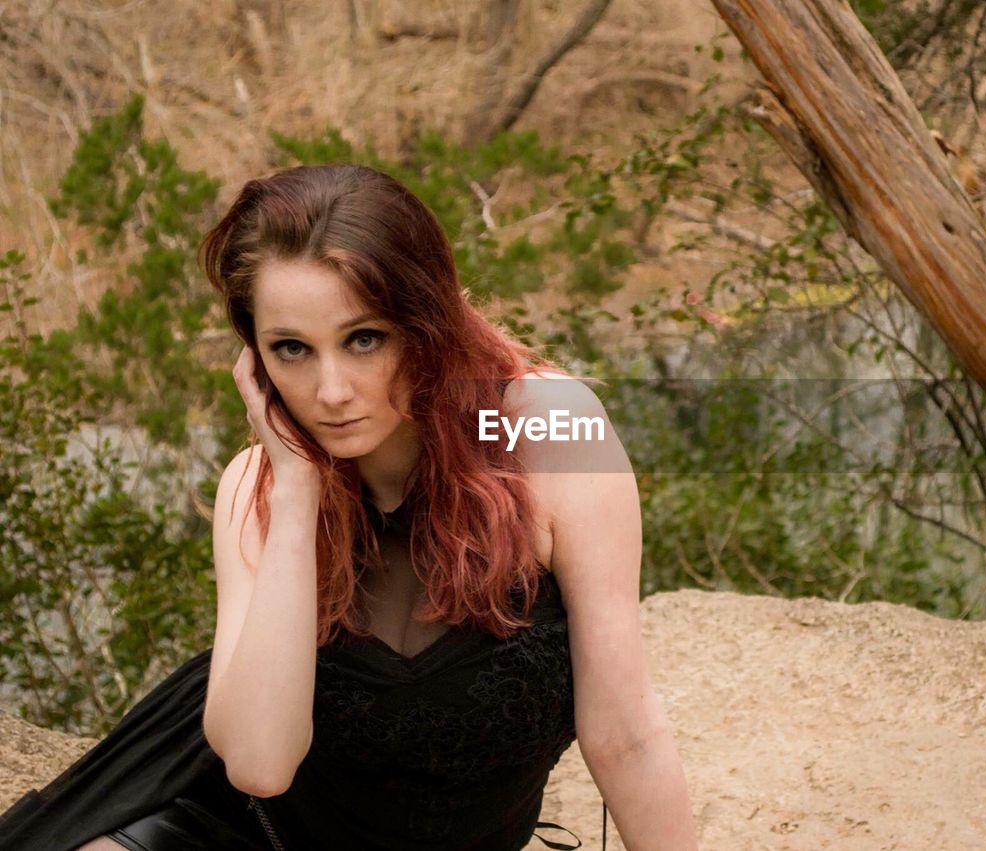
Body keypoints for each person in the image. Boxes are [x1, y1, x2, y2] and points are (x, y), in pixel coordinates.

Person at [0, 163, 698, 850]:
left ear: (427, 321)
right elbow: (259, 767)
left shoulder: (549, 425)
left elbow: (627, 732)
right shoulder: (257, 486)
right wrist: (298, 493)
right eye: (291, 349)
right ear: (256, 360)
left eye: (364, 338)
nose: (330, 390)